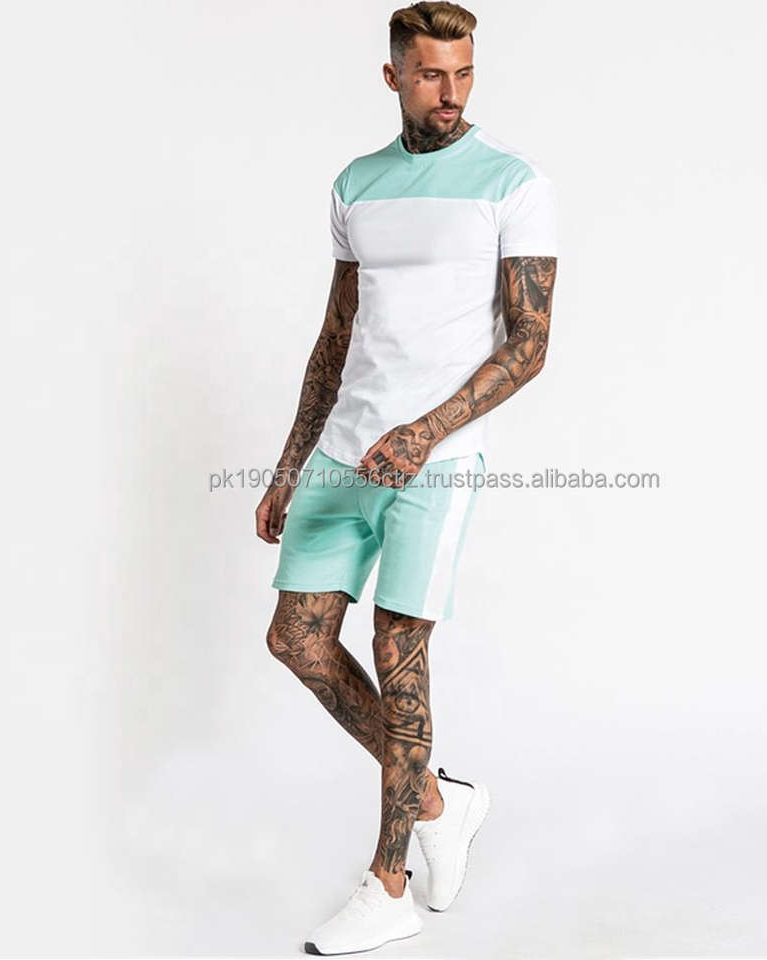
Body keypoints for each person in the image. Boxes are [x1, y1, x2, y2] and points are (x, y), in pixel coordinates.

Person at [254, 2, 558, 953]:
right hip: (345, 450)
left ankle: (388, 888)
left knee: (399, 650)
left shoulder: (513, 182)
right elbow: (335, 336)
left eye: (463, 73)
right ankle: (439, 801)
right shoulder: (357, 183)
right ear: (393, 76)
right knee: (298, 640)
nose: (450, 93)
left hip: (439, 458)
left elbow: (530, 343)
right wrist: (291, 463)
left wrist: (426, 433)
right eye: (431, 74)